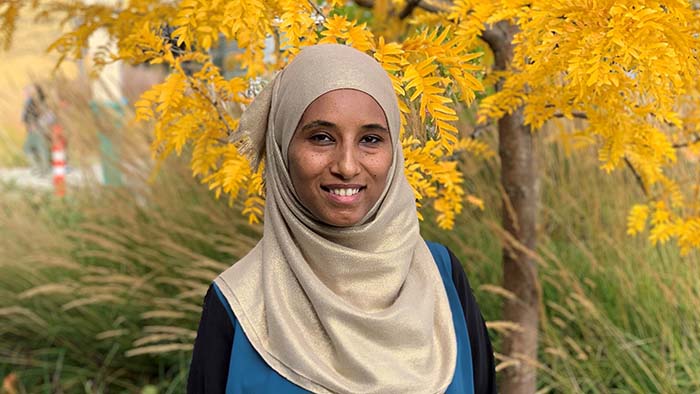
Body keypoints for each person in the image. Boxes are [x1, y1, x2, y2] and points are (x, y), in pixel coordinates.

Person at [187, 44, 496, 394]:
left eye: (370, 139)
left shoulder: (442, 277)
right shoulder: (237, 306)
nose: (347, 166)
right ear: (282, 146)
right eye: (321, 138)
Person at [21, 84, 51, 175]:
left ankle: (42, 168)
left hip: (36, 128)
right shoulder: (29, 102)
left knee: (34, 148)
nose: (23, 93)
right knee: (36, 148)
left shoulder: (35, 102)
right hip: (33, 128)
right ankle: (41, 168)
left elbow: (43, 115)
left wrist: (35, 124)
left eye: (26, 91)